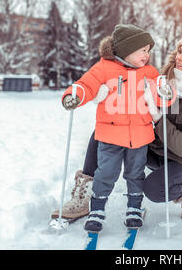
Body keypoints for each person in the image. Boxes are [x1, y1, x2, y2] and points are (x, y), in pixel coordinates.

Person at [52, 31, 182, 223]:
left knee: (155, 190)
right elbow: (124, 88)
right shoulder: (163, 79)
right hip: (151, 146)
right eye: (180, 51)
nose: (179, 58)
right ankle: (84, 194)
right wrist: (107, 93)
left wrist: (156, 116)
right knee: (107, 131)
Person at [57, 24, 173, 232]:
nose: (147, 55)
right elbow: (86, 85)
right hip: (110, 136)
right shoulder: (104, 68)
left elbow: (161, 97)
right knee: (105, 173)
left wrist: (166, 94)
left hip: (139, 136)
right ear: (127, 49)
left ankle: (134, 208)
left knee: (135, 173)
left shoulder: (150, 73)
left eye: (148, 51)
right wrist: (74, 95)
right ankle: (97, 208)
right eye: (142, 50)